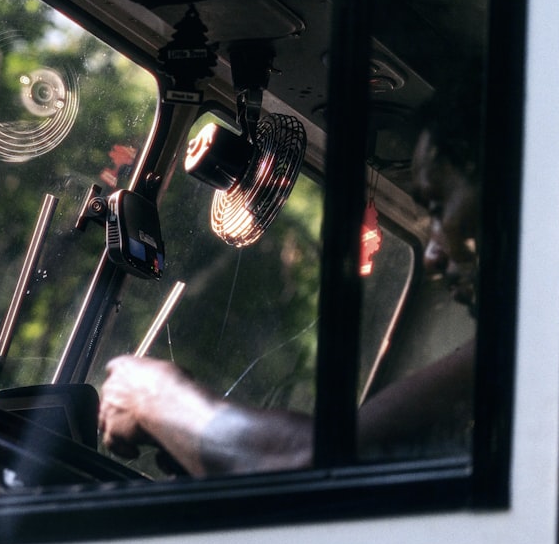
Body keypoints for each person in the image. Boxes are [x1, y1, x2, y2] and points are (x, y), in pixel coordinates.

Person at [97, 88, 480, 476]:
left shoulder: (516, 349)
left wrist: (155, 398)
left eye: (438, 206)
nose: (431, 255)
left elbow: (320, 463)